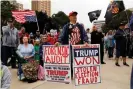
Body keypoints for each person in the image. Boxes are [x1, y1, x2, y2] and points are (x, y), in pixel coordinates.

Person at [55, 11, 88, 79]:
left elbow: (84, 34)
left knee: (79, 60)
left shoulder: (80, 26)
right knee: (70, 61)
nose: (74, 17)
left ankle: (78, 74)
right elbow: (62, 34)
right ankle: (71, 74)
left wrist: (85, 41)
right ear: (69, 17)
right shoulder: (66, 26)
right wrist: (58, 41)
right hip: (69, 46)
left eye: (75, 16)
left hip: (79, 46)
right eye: (73, 16)